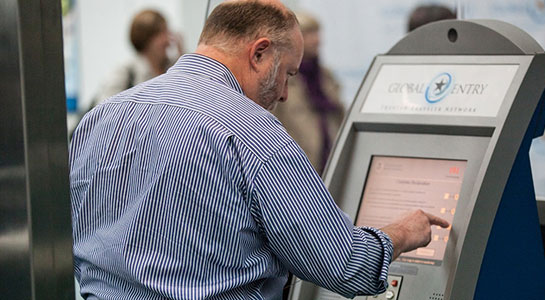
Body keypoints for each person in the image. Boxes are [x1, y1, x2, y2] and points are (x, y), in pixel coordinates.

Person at [70, 1, 449, 299]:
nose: (284, 93)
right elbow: (345, 265)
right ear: (260, 53)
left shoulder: (103, 116)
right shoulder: (252, 131)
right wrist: (404, 231)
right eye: (288, 72)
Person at [271, 12, 345, 174]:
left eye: (317, 33)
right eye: (309, 34)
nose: (317, 40)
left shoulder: (326, 76)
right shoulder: (281, 78)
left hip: (329, 160)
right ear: (294, 39)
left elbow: (340, 116)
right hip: (295, 165)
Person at [92, 9, 183, 107]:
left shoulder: (173, 68)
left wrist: (182, 56)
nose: (167, 40)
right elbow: (105, 113)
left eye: (167, 32)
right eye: (161, 33)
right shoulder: (125, 73)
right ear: (146, 39)